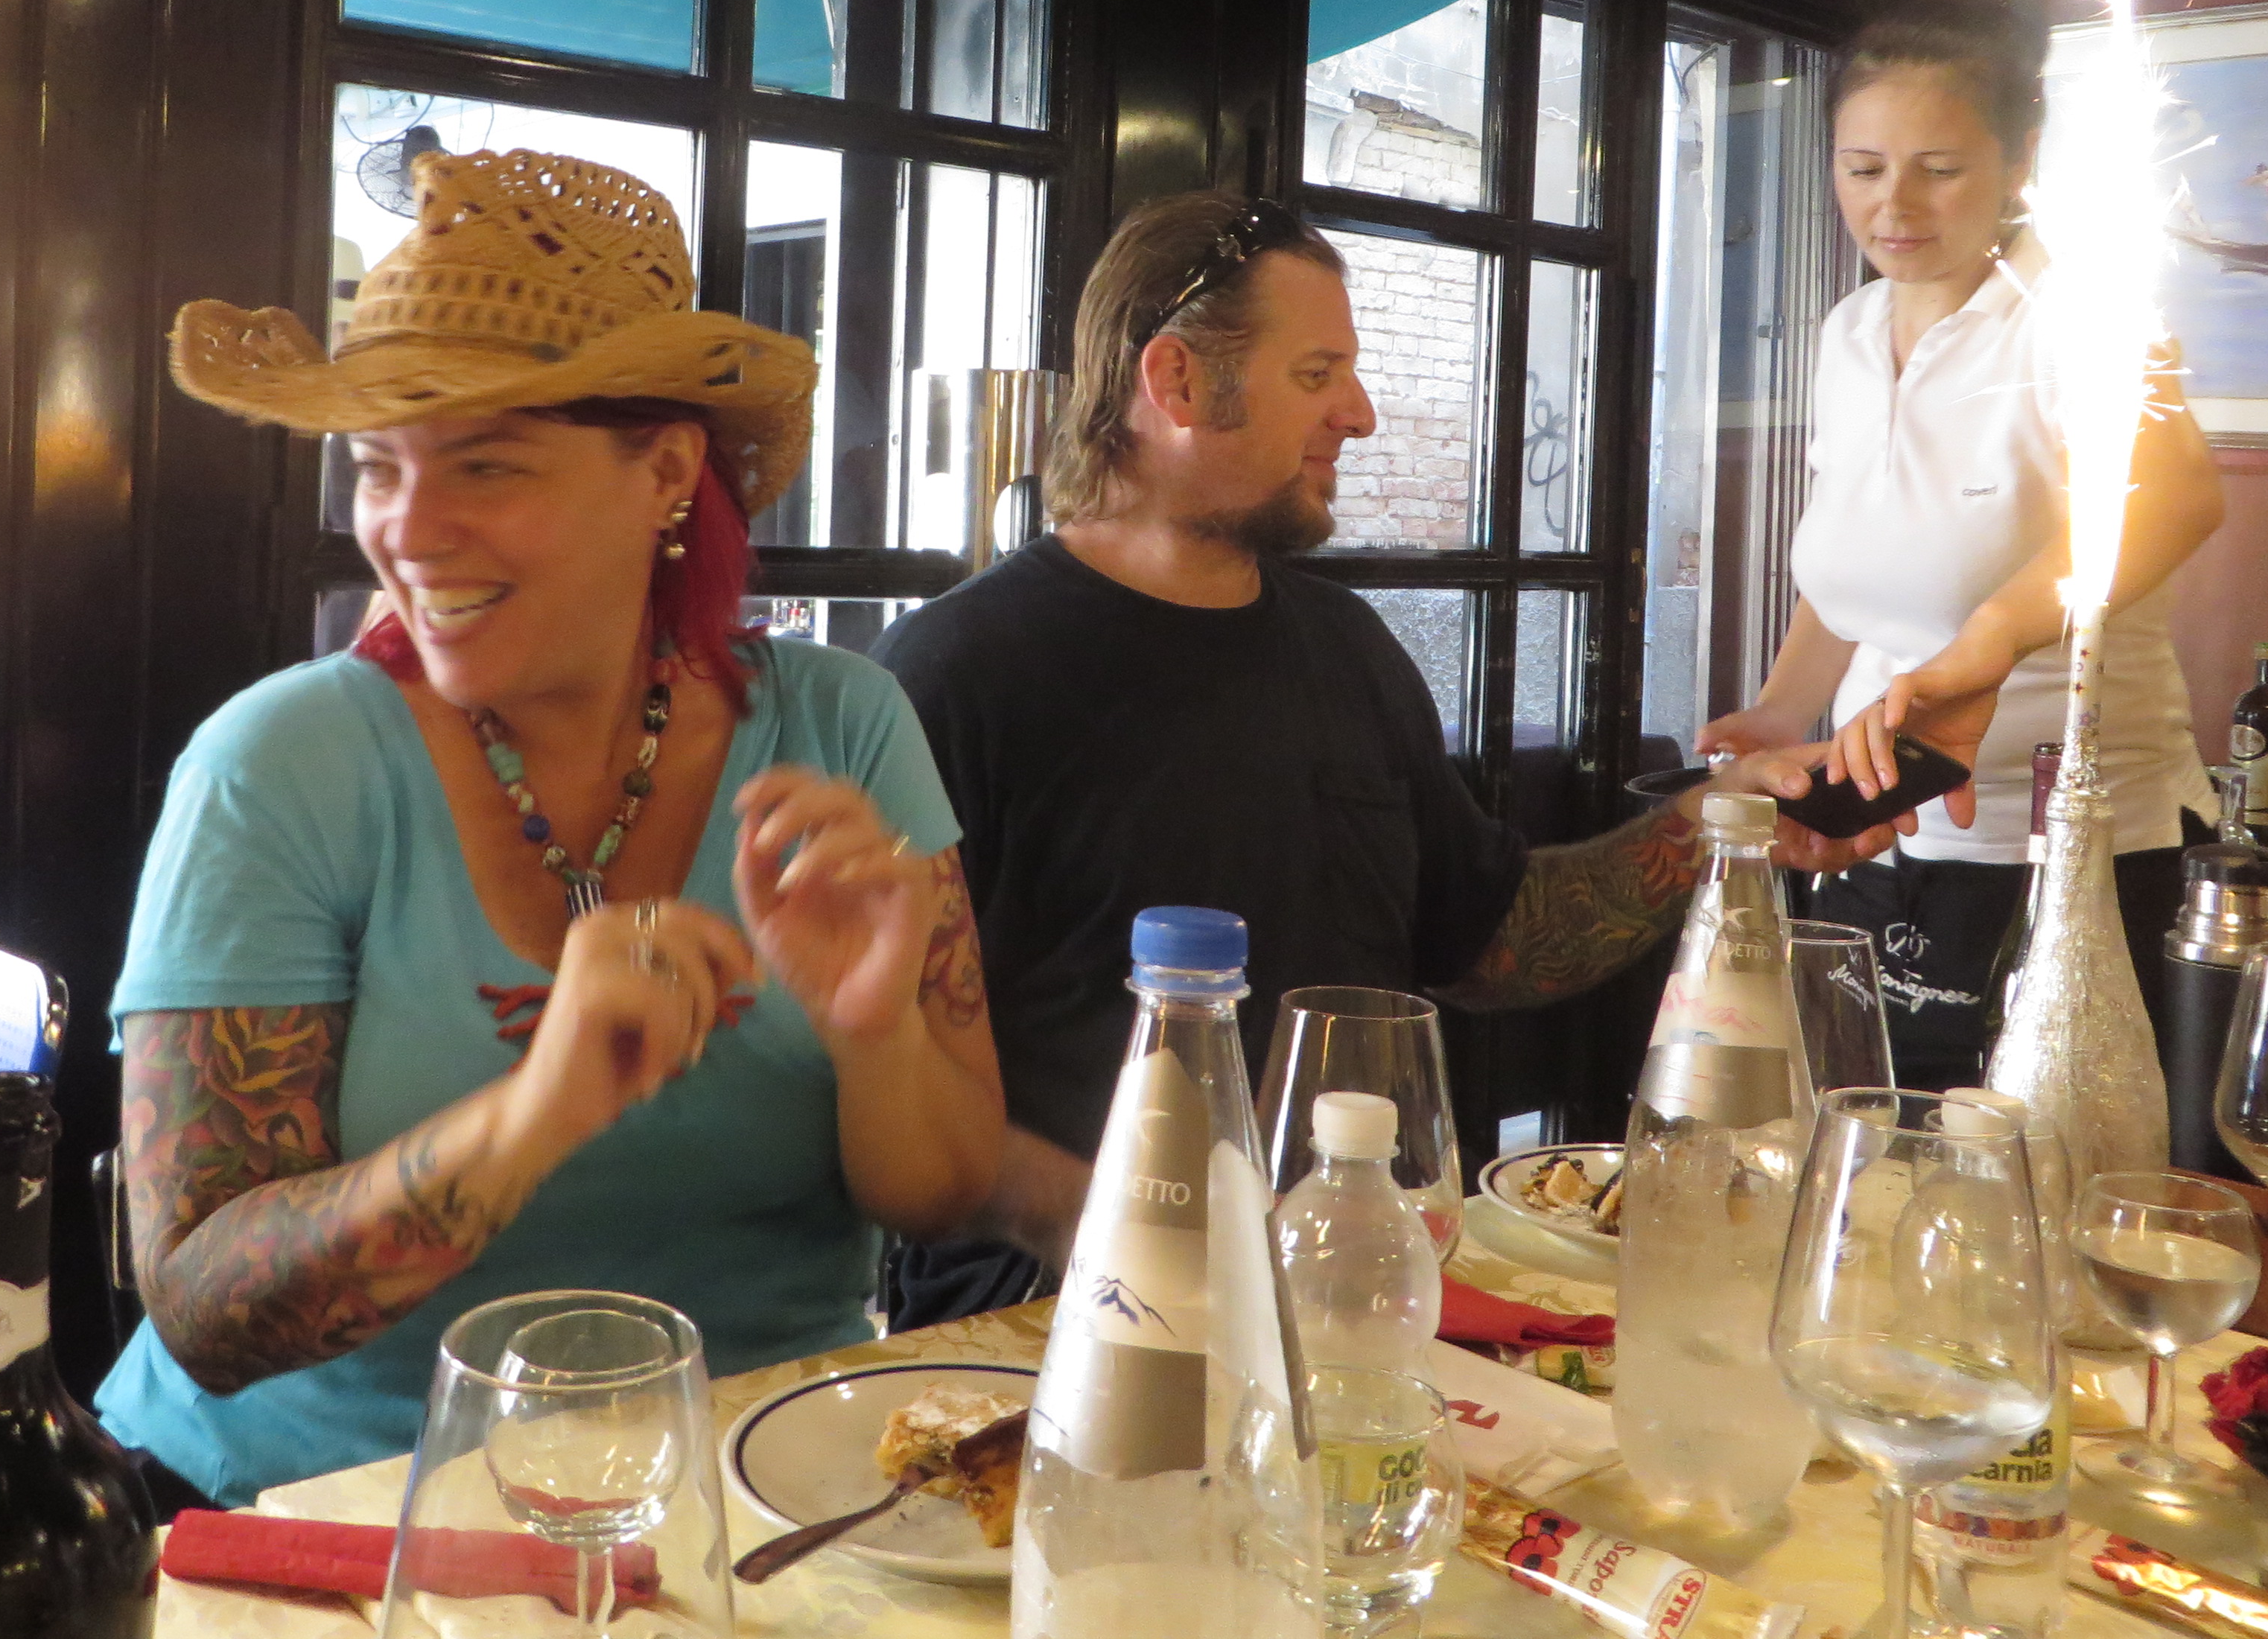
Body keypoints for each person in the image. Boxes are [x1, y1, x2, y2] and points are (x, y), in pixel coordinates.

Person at [98, 150, 1003, 1507]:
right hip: (318, 1517)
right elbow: (203, 1313)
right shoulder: (280, 765)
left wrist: (877, 1036)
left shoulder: (844, 727)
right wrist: (534, 1115)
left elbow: (944, 1194)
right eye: (379, 468)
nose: (409, 531)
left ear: (667, 472)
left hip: (760, 1504)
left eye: (487, 464)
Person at [873, 191, 1898, 1325]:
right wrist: (1137, 1240)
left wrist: (1714, 824)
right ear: (1176, 382)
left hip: (1347, 1294)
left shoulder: (1346, 648)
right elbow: (879, 1088)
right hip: (1048, 1325)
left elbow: (1492, 939)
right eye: (1317, 374)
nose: (1359, 415)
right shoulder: (955, 676)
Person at [1699, 5, 2226, 1091]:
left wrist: (1988, 641)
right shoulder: (1849, 333)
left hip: (2072, 853)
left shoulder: (2081, 310)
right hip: (1881, 828)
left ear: (2018, 164)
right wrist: (1785, 708)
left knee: (2043, 1159)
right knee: (1858, 1131)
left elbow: (2174, 499)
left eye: (1938, 170)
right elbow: (1857, 559)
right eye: (1864, 168)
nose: (1893, 205)